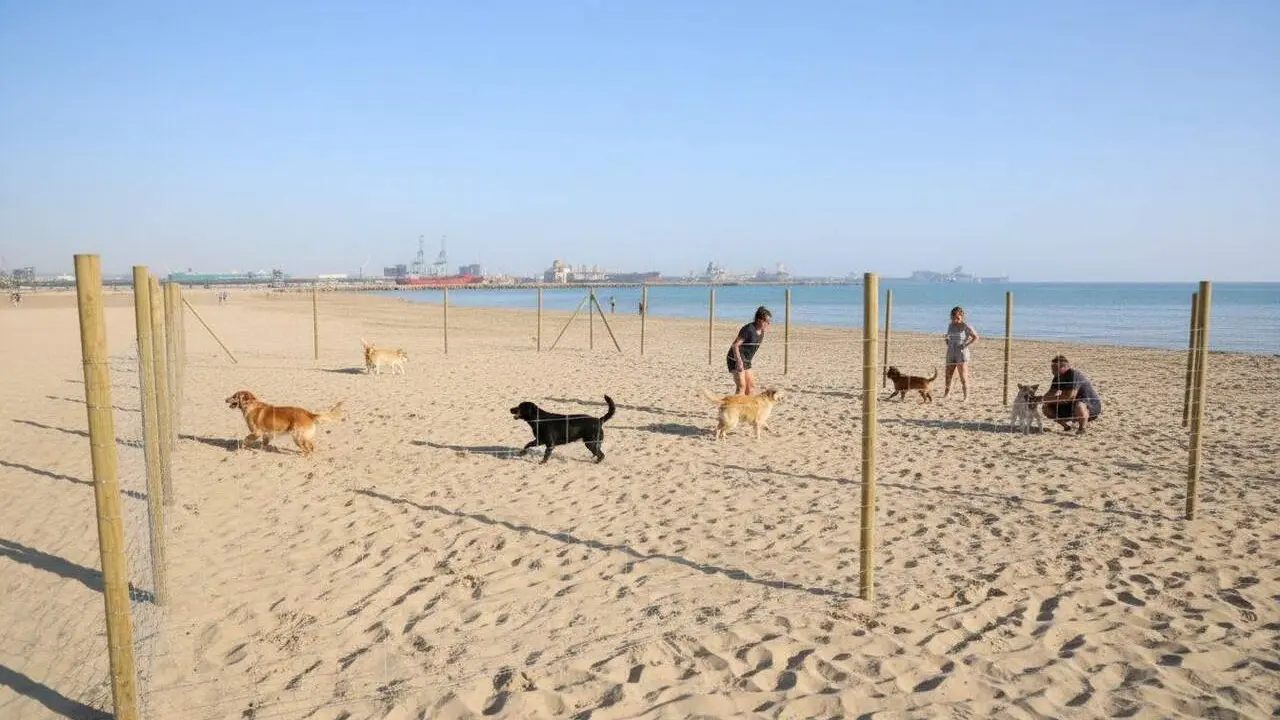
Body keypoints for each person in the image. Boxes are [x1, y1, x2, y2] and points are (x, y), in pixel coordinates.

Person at [1041, 355, 1102, 434]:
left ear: (1065, 367)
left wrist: (1044, 399)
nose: (1053, 372)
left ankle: (1082, 429)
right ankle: (1066, 427)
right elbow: (1049, 394)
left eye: (1055, 369)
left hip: (1091, 406)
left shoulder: (1073, 374)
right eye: (1052, 369)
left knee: (1079, 404)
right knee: (1046, 407)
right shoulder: (1057, 378)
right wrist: (1039, 399)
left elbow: (1069, 396)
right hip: (1071, 405)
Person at [726, 305, 772, 395]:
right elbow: (735, 346)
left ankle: (747, 407)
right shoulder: (748, 329)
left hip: (746, 360)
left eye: (769, 321)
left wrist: (744, 361)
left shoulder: (761, 330)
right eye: (767, 321)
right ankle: (736, 407)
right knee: (741, 386)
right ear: (759, 320)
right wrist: (739, 361)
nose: (768, 323)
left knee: (751, 386)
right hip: (735, 358)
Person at [943, 306, 979, 400]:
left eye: (957, 318)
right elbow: (948, 337)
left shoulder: (966, 326)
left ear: (961, 316)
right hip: (951, 351)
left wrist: (965, 345)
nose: (955, 320)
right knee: (948, 374)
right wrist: (947, 340)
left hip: (961, 353)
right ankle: (946, 394)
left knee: (963, 376)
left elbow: (976, 337)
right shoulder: (950, 325)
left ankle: (966, 397)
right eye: (953, 317)